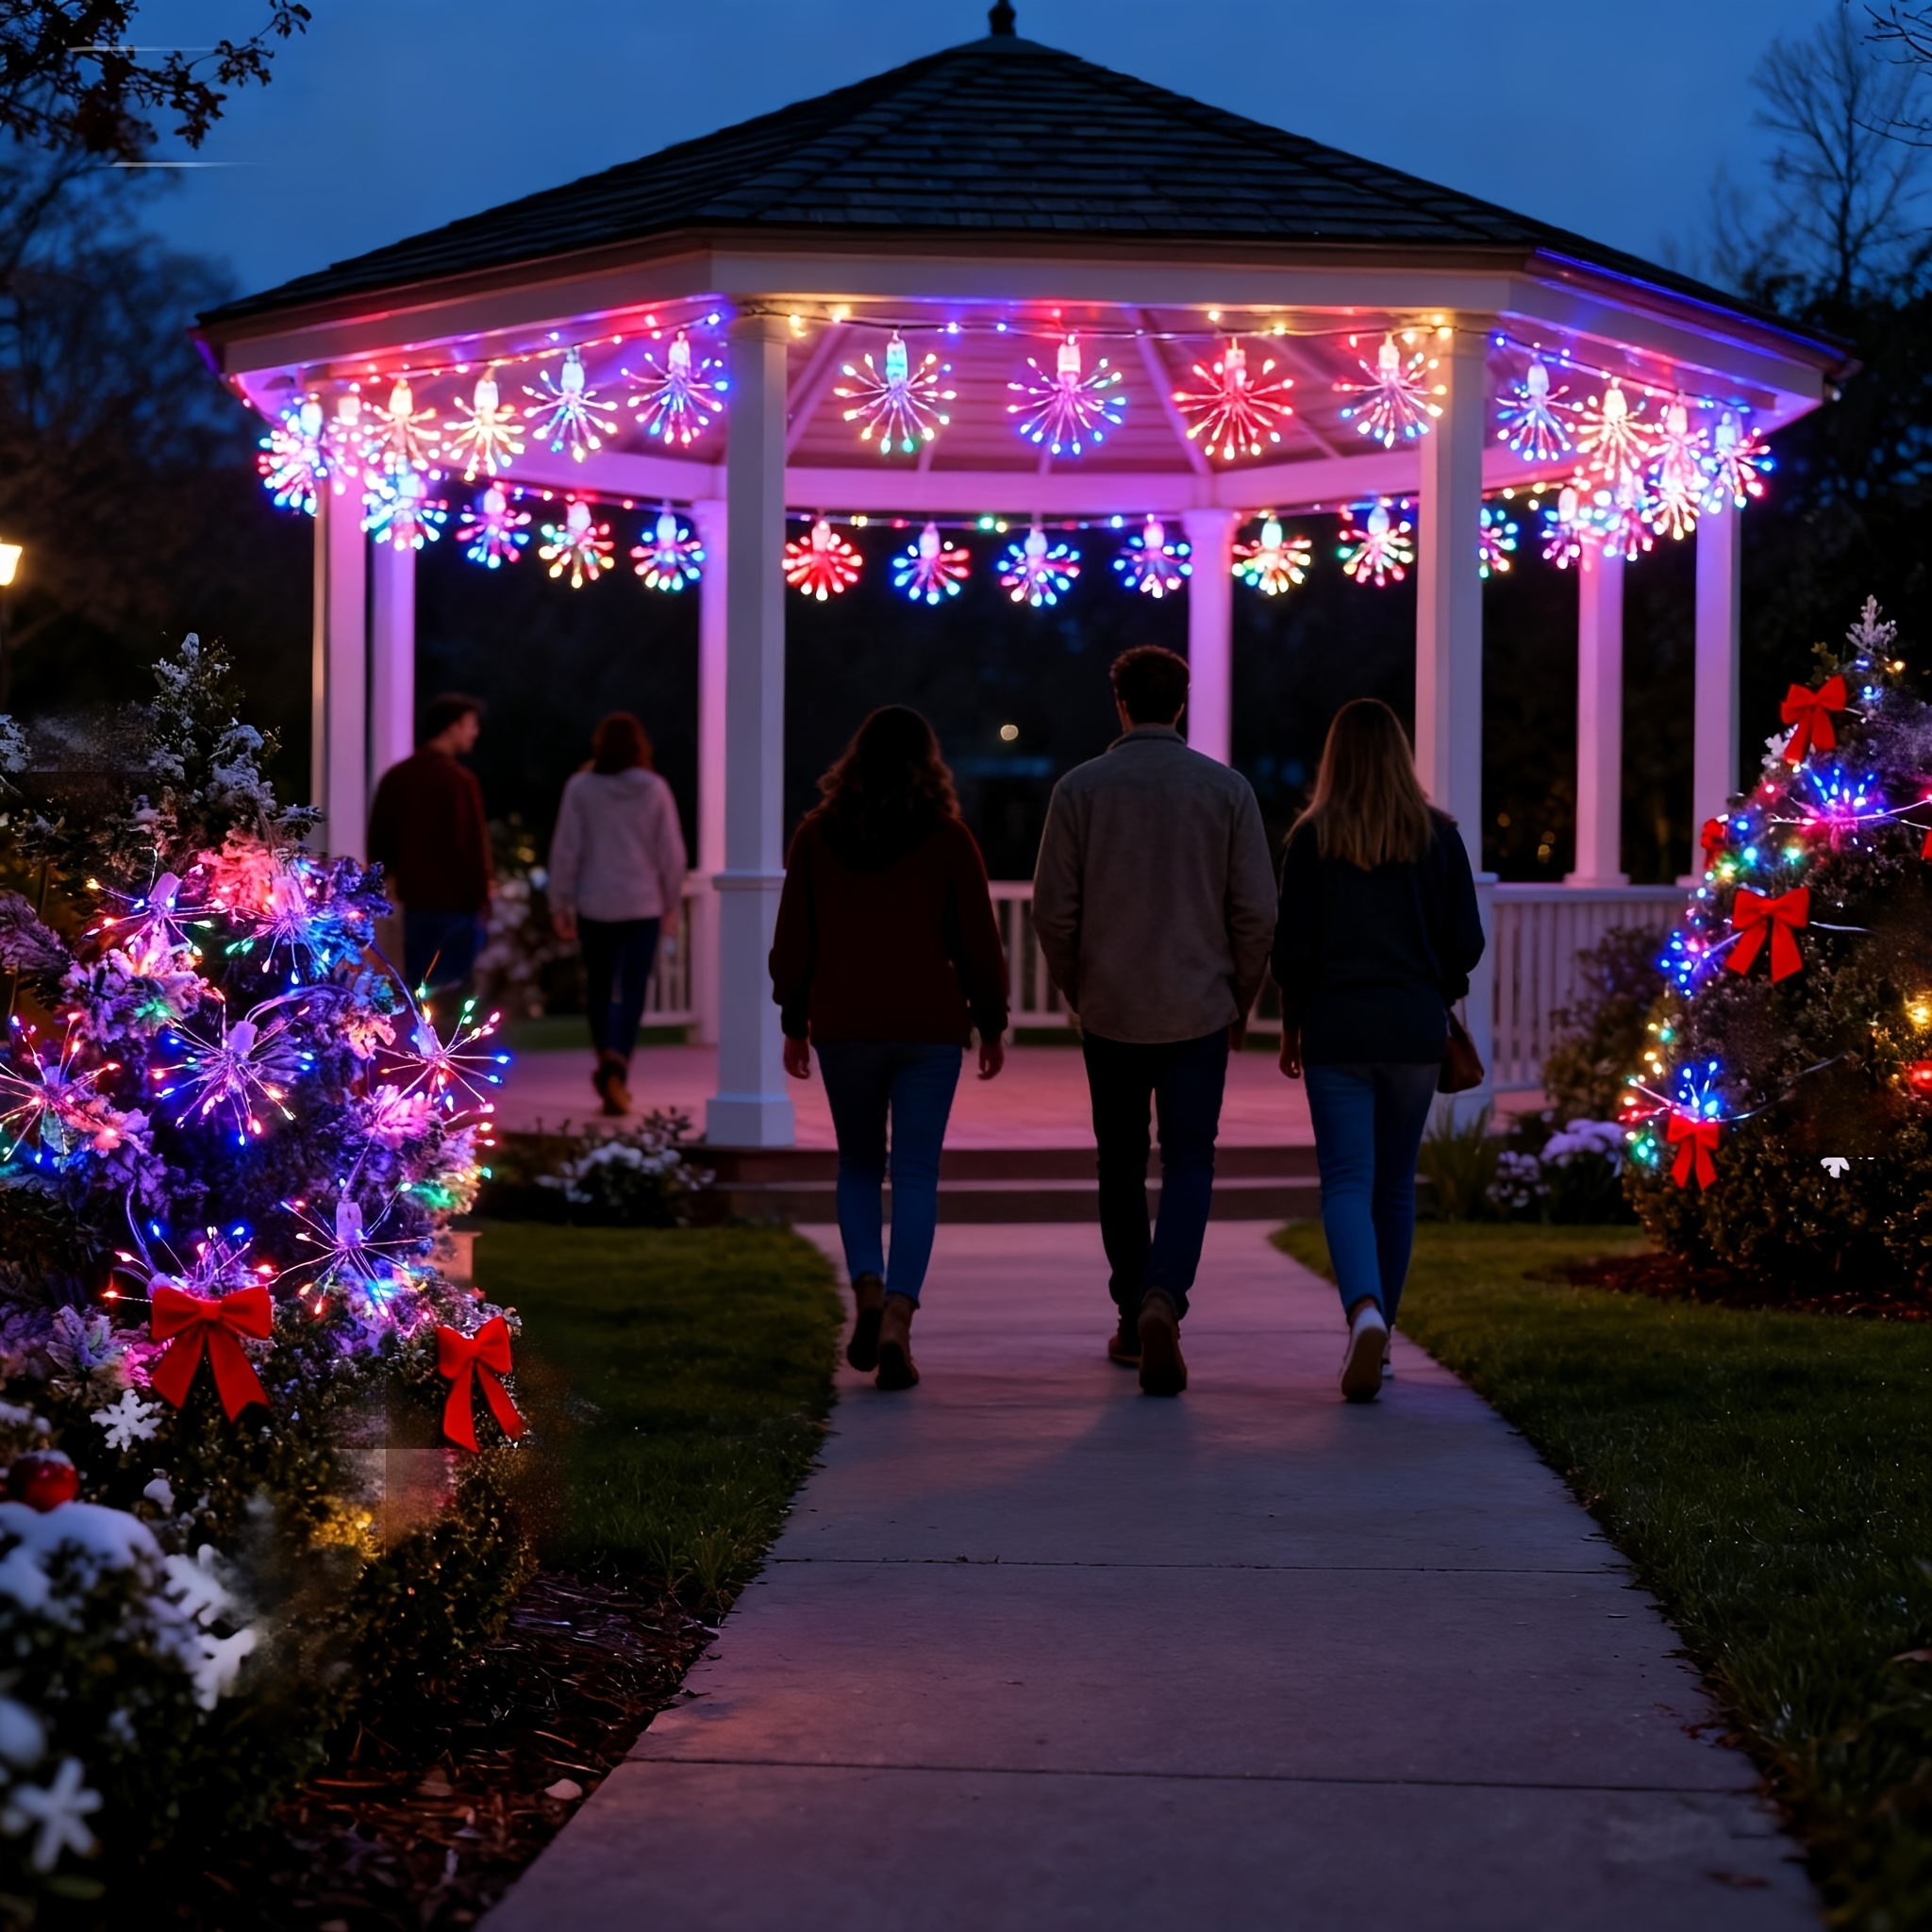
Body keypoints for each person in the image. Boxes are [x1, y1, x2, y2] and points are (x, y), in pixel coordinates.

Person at [1033, 645, 1277, 1398]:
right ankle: (1163, 1299)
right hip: (1198, 1007)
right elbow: (1257, 912)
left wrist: (1080, 988)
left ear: (1120, 703)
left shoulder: (1080, 790)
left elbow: (1052, 911)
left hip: (1112, 1008)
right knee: (1190, 1162)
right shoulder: (1226, 791)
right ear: (1181, 704)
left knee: (1119, 1163)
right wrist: (1240, 996)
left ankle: (1130, 1311)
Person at [770, 707, 1008, 1392]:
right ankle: (900, 1313)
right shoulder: (949, 838)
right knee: (915, 1174)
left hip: (846, 1024)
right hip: (928, 1026)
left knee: (857, 1166)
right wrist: (990, 1022)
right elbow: (978, 940)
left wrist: (794, 1018)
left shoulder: (817, 836)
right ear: (927, 762)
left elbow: (795, 939)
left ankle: (868, 1288)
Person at [1272, 698, 1485, 1403]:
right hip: (1413, 1029)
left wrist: (1291, 1025)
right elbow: (1466, 942)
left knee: (1345, 1182)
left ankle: (1362, 1310)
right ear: (1400, 755)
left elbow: (1292, 952)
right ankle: (1382, 1335)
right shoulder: (1439, 835)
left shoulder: (1312, 838)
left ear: (1335, 758)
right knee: (1394, 1187)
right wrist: (1435, 986)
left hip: (1337, 1027)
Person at [548, 712, 689, 1117]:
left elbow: (567, 849)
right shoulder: (655, 788)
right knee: (634, 989)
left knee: (599, 987)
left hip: (595, 903)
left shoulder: (581, 788)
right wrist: (671, 903)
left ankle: (606, 1060)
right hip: (643, 903)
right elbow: (671, 854)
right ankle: (618, 1063)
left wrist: (560, 902)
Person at [367, 693, 492, 994]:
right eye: (470, 725)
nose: (474, 732)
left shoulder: (397, 777)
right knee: (452, 990)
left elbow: (379, 840)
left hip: (414, 902)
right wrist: (483, 897)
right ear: (452, 727)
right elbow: (472, 845)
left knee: (417, 989)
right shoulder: (460, 781)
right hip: (457, 905)